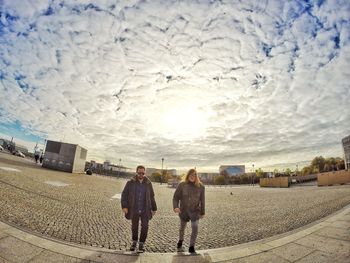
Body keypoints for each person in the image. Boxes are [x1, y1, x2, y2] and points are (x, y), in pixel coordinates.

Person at [121, 165, 157, 252]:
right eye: (139, 173)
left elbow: (152, 196)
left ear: (144, 173)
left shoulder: (148, 183)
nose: (141, 174)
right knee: (134, 226)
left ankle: (141, 244)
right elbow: (124, 195)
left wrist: (154, 208)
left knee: (145, 226)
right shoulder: (130, 182)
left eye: (143, 173)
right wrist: (124, 206)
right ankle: (134, 242)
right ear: (136, 172)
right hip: (134, 208)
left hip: (145, 209)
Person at [173, 168, 205, 253]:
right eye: (191, 174)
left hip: (195, 211)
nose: (192, 176)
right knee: (182, 228)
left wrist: (202, 212)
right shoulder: (182, 185)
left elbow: (202, 200)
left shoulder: (201, 186)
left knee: (195, 228)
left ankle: (191, 246)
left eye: (194, 175)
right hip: (183, 211)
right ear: (188, 175)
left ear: (196, 176)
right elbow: (176, 197)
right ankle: (180, 240)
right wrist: (175, 207)